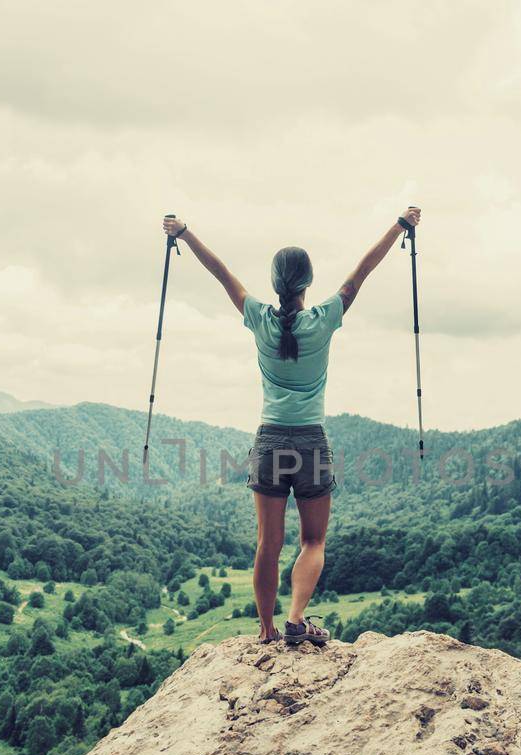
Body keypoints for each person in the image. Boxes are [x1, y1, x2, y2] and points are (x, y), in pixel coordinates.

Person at [162, 207, 422, 645]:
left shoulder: (260, 319)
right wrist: (401, 226)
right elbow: (361, 272)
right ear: (307, 283)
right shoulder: (323, 321)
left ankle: (265, 630)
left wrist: (184, 233)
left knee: (268, 543)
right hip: (311, 443)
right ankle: (296, 620)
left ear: (275, 283)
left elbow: (221, 273)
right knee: (314, 541)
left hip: (269, 442)